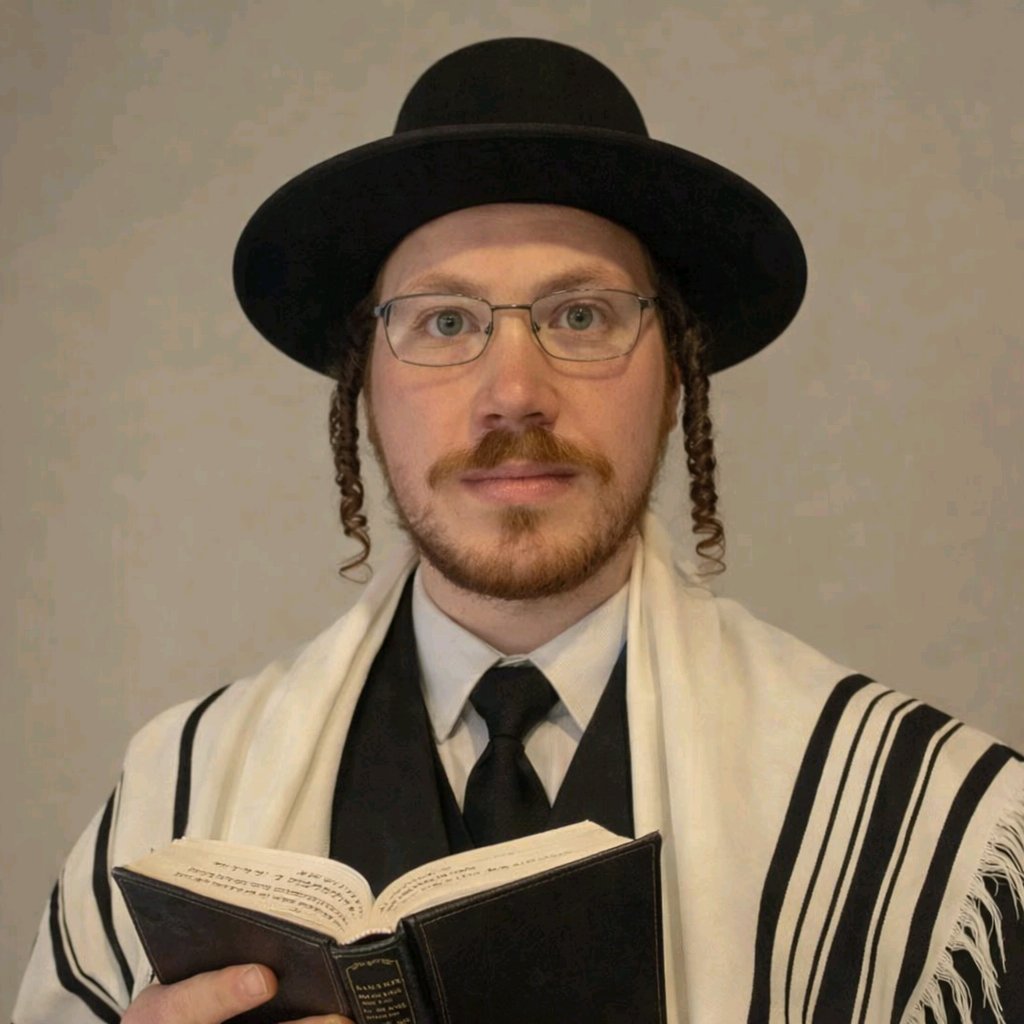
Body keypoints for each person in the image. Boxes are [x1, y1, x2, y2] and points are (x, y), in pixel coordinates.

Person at [13, 37, 1023, 1024]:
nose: (514, 392)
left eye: (580, 316)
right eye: (445, 322)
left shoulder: (922, 827)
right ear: (365, 388)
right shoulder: (175, 801)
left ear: (675, 375)